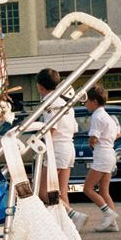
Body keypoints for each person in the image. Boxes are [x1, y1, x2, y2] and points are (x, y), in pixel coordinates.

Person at [35, 68, 85, 231]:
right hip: (69, 147)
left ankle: (72, 215)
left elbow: (51, 128)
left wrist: (37, 141)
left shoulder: (50, 102)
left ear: (39, 86)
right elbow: (74, 127)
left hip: (56, 148)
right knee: (62, 192)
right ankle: (68, 227)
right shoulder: (65, 102)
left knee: (43, 192)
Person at [81, 85, 121, 232]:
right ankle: (112, 224)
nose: (85, 104)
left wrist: (91, 144)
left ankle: (108, 214)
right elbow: (118, 134)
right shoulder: (108, 117)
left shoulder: (96, 116)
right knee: (104, 191)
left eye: (87, 101)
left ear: (95, 102)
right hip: (110, 153)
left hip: (102, 155)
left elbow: (93, 138)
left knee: (88, 188)